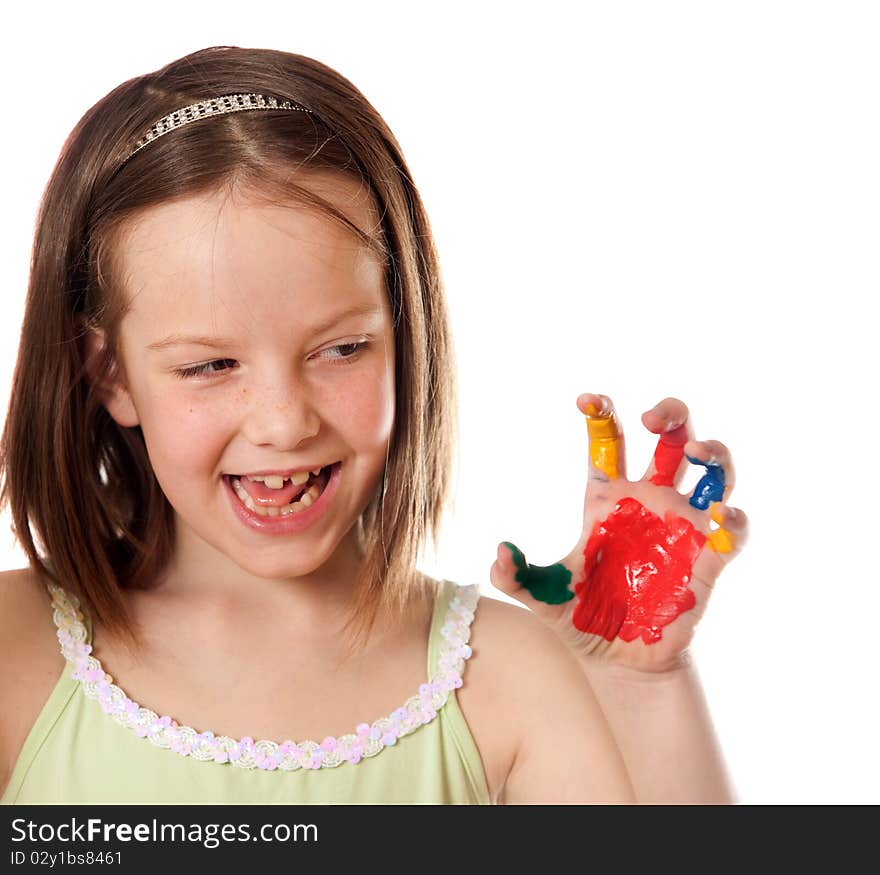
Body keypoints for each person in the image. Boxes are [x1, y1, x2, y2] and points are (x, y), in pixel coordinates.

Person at [0, 46, 749, 805]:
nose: (285, 423)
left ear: (404, 336)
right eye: (210, 366)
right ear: (111, 374)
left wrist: (637, 685)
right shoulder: (16, 655)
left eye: (341, 349)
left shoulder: (506, 682)